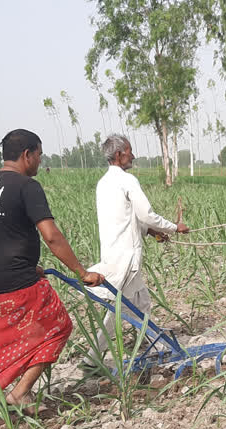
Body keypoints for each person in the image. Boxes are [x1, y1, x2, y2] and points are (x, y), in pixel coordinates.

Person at [0, 129, 104, 429]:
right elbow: (51, 236)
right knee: (58, 325)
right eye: (39, 155)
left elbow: (0, 231)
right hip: (14, 282)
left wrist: (27, 262)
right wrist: (82, 272)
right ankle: (20, 393)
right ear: (27, 155)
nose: (39, 161)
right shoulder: (27, 186)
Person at [83, 134, 188, 367]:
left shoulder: (103, 184)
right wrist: (174, 228)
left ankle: (158, 343)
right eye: (129, 151)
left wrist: (152, 232)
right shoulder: (128, 181)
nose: (133, 156)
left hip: (113, 254)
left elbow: (128, 218)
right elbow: (146, 215)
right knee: (121, 307)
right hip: (128, 258)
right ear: (119, 155)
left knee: (141, 303)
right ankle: (92, 357)